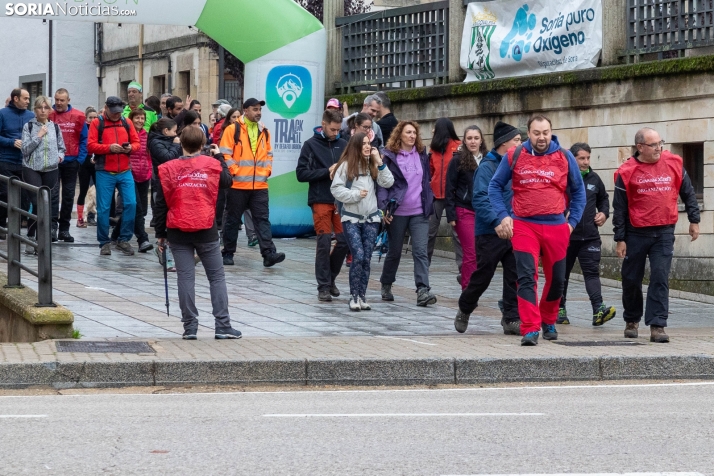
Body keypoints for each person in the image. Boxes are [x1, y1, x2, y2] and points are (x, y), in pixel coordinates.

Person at [489, 115, 586, 346]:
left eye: (545, 133)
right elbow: (494, 186)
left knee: (557, 280)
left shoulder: (565, 156)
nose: (541, 137)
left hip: (556, 226)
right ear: (528, 133)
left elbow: (579, 192)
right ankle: (530, 328)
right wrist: (503, 216)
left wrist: (572, 223)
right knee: (525, 277)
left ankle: (549, 320)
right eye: (536, 133)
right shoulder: (515, 155)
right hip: (524, 225)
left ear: (551, 132)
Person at [154, 125, 241, 340]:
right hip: (206, 228)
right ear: (203, 145)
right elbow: (228, 181)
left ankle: (190, 327)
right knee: (216, 277)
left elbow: (161, 203)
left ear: (180, 143)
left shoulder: (167, 168)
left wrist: (160, 232)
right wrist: (219, 156)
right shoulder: (212, 165)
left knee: (185, 277)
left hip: (177, 228)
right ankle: (222, 325)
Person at [614, 128, 700, 343]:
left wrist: (694, 220)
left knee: (660, 277)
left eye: (660, 143)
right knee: (631, 279)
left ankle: (657, 325)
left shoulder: (673, 163)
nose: (658, 148)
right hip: (636, 232)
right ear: (640, 147)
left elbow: (688, 192)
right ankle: (631, 320)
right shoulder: (626, 171)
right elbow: (620, 209)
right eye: (653, 145)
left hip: (663, 231)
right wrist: (620, 238)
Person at [454, 121, 523, 335]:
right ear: (504, 143)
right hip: (489, 231)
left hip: (515, 230)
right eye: (517, 141)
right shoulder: (488, 166)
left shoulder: (519, 164)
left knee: (515, 275)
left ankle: (511, 318)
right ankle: (465, 307)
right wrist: (497, 222)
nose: (521, 145)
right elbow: (481, 199)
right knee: (483, 275)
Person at [331, 132, 394, 311]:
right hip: (351, 218)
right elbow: (335, 189)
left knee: (366, 258)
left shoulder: (373, 163)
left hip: (372, 219)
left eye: (369, 143)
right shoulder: (346, 165)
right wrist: (355, 195)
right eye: (363, 144)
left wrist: (379, 161)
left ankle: (362, 296)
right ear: (356, 146)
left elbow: (388, 182)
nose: (367, 146)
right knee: (357, 255)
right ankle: (353, 296)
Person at [220, 98, 284, 267]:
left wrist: (267, 171)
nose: (258, 112)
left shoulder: (265, 131)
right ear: (245, 110)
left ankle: (268, 254)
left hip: (260, 185)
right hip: (238, 185)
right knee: (233, 220)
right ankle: (228, 252)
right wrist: (235, 171)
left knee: (262, 220)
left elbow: (269, 154)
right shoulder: (232, 130)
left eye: (259, 110)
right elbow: (225, 154)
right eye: (255, 109)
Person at [378, 121, 436, 306]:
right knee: (394, 252)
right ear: (399, 135)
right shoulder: (390, 156)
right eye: (408, 132)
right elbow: (383, 184)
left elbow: (426, 179)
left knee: (420, 251)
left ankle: (423, 290)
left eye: (414, 133)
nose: (412, 136)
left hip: (419, 210)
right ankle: (386, 283)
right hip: (397, 211)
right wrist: (383, 207)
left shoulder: (421, 155)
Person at [558, 142, 617, 326]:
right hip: (566, 237)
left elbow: (604, 199)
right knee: (562, 275)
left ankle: (598, 310)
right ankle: (559, 309)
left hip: (590, 236)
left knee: (591, 273)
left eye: (588, 158)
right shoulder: (563, 178)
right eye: (581, 158)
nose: (585, 162)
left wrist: (604, 213)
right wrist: (562, 214)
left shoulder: (595, 179)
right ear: (572, 159)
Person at [296, 109, 350, 301]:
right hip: (320, 198)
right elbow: (301, 174)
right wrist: (325, 172)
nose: (336, 133)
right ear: (323, 124)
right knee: (324, 242)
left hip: (341, 199)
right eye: (333, 129)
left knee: (344, 241)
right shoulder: (310, 145)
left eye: (338, 130)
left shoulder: (343, 144)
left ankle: (330, 278)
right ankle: (324, 287)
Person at [86, 96, 140, 256]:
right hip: (104, 171)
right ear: (106, 108)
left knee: (131, 204)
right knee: (103, 209)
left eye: (119, 112)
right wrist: (109, 148)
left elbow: (137, 143)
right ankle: (104, 242)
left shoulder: (126, 122)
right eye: (114, 112)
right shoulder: (97, 123)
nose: (117, 115)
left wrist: (130, 148)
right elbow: (90, 146)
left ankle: (123, 239)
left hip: (125, 170)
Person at [21, 96, 65, 255]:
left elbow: (62, 148)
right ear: (35, 110)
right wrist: (38, 135)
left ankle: (39, 239)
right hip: (32, 168)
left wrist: (60, 157)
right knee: (37, 202)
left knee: (45, 204)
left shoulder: (56, 128)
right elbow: (25, 149)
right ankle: (32, 238)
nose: (43, 110)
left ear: (50, 110)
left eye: (46, 107)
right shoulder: (29, 126)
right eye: (40, 107)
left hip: (51, 169)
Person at [445, 125, 487, 290]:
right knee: (470, 253)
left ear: (481, 140)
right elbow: (449, 188)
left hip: (484, 212)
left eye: (476, 138)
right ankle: (468, 290)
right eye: (469, 138)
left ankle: (473, 283)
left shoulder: (488, 159)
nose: (473, 141)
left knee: (481, 253)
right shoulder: (457, 160)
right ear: (464, 140)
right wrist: (451, 214)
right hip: (464, 210)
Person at [109, 109, 153, 253]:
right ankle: (143, 239)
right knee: (137, 208)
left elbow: (148, 156)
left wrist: (149, 170)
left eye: (142, 118)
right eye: (137, 118)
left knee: (136, 209)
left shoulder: (147, 136)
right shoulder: (126, 134)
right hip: (128, 174)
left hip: (144, 175)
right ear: (131, 119)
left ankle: (115, 234)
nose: (140, 120)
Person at [48, 88, 87, 243]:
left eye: (62, 100)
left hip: (72, 161)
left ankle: (64, 229)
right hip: (53, 161)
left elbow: (84, 138)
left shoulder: (78, 116)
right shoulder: (49, 115)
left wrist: (80, 159)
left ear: (68, 100)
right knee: (53, 195)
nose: (58, 103)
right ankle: (52, 228)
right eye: (56, 100)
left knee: (69, 196)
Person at [427, 117, 463, 274]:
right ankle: (423, 265)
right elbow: (430, 171)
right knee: (430, 232)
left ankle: (463, 268)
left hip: (453, 196)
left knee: (457, 234)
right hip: (435, 195)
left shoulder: (458, 147)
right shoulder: (433, 149)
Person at [0, 88, 34, 235]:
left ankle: (17, 230)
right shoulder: (3, 114)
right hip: (5, 160)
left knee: (24, 197)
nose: (28, 101)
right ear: (16, 99)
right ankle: (1, 226)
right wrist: (11, 142)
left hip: (24, 162)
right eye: (25, 98)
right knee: (5, 195)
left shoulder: (31, 115)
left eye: (28, 98)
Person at [76, 107, 98, 227]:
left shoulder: (99, 128)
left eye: (95, 117)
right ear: (86, 118)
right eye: (90, 117)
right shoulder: (83, 129)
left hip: (96, 163)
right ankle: (80, 218)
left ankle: (100, 217)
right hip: (84, 163)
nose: (93, 120)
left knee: (100, 191)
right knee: (83, 191)